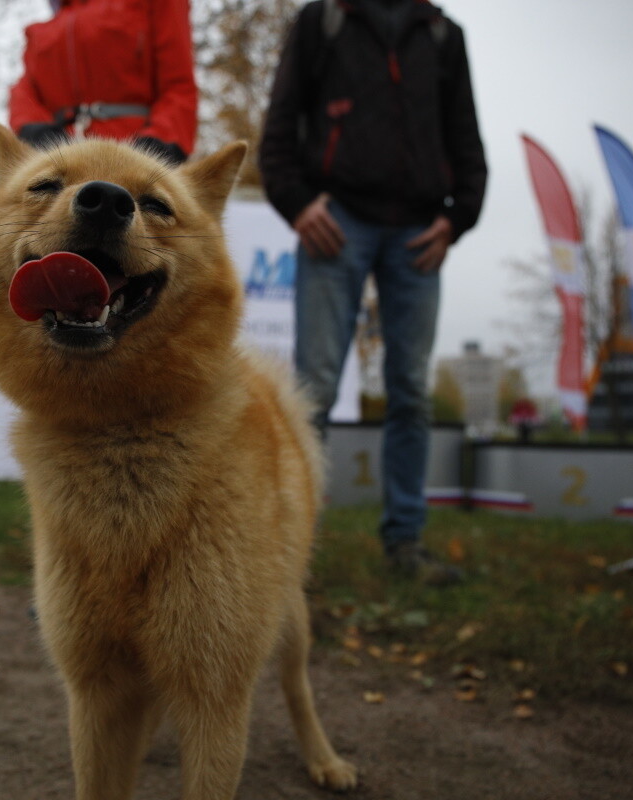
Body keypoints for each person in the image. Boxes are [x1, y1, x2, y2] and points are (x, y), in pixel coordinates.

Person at [259, 0, 488, 585]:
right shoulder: (321, 20)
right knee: (313, 390)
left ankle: (405, 544)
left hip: (419, 231)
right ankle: (286, 552)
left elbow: (465, 135)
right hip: (336, 221)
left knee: (411, 389)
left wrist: (458, 217)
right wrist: (296, 202)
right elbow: (279, 125)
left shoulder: (442, 33)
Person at [8, 0, 198, 164]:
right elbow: (24, 93)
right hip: (58, 158)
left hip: (136, 154)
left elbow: (178, 86)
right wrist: (37, 133)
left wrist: (158, 144)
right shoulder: (40, 32)